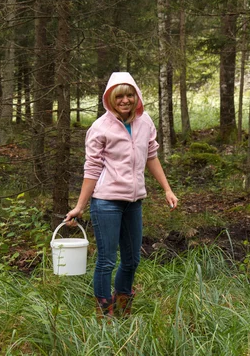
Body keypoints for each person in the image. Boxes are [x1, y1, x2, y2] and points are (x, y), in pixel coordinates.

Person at [64, 72, 178, 318]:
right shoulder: (100, 128)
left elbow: (151, 156)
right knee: (106, 261)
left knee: (132, 260)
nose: (125, 100)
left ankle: (122, 309)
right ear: (110, 99)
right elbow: (92, 169)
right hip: (106, 203)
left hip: (134, 203)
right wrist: (80, 206)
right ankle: (104, 314)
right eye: (120, 96)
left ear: (136, 96)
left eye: (129, 95)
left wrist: (167, 189)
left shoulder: (145, 121)